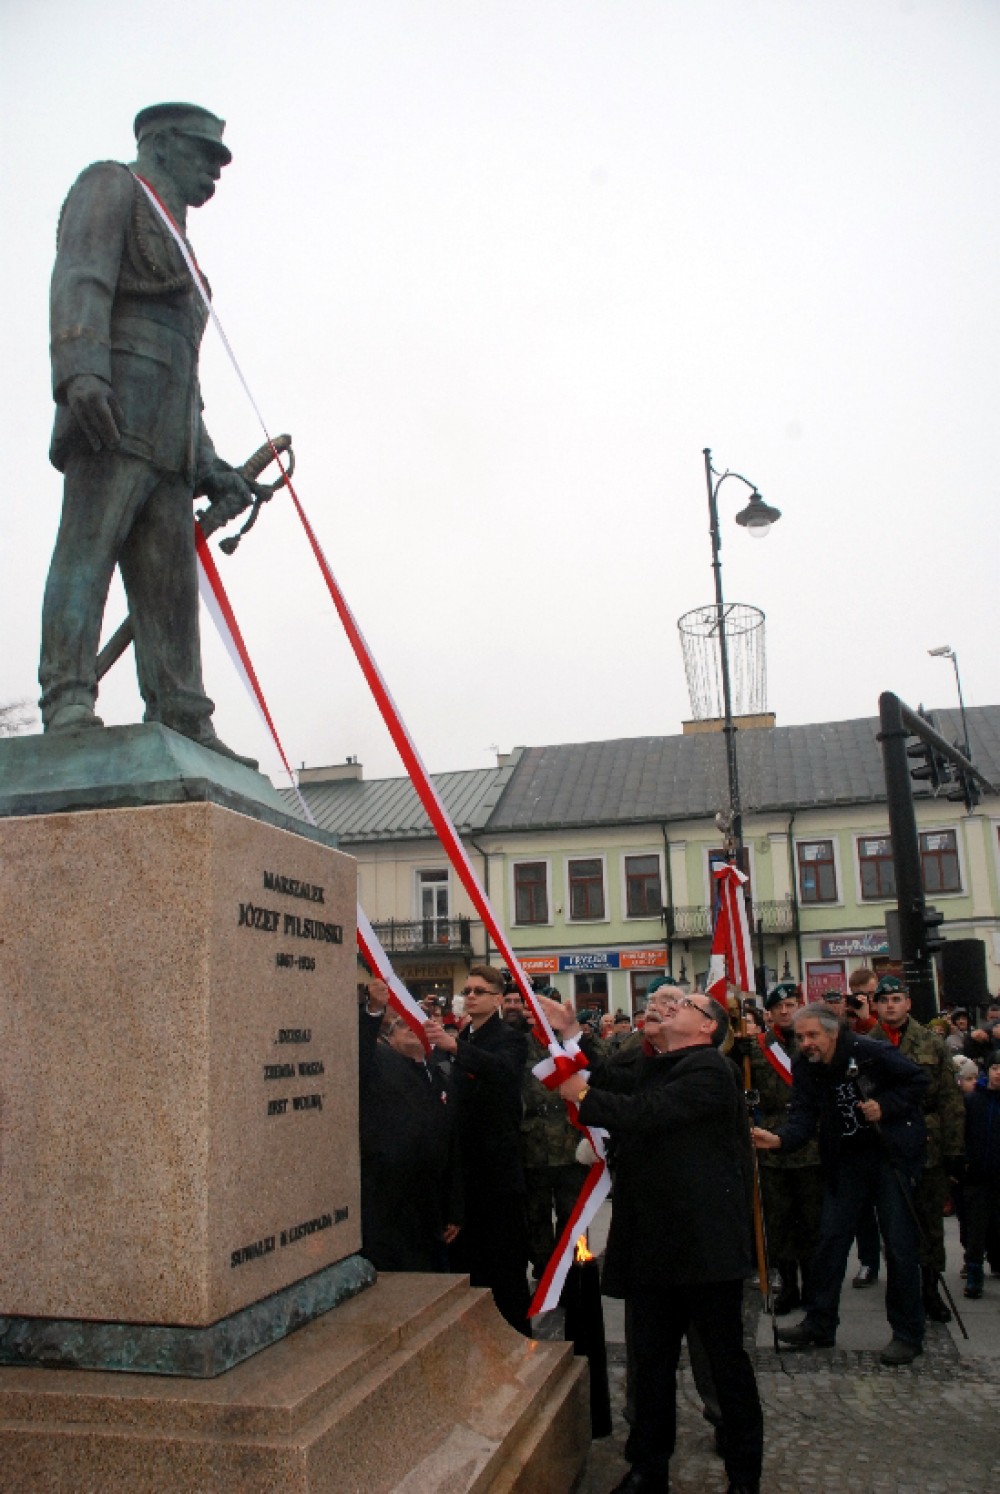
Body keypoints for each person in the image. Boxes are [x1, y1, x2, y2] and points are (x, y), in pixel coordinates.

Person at [39, 103, 263, 762]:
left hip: (170, 434)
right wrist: (81, 370)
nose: (214, 171)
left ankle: (182, 711)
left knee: (170, 587)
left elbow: (187, 374)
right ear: (161, 143)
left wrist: (210, 463)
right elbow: (80, 277)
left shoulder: (182, 244)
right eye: (203, 154)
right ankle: (67, 697)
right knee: (87, 554)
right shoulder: (112, 186)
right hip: (110, 413)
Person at [541, 985, 763, 1494]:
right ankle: (647, 1468)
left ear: (708, 1026)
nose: (670, 1008)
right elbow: (612, 1075)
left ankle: (743, 1476)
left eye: (685, 1005)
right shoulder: (659, 1063)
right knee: (651, 1363)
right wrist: (570, 1032)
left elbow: (646, 1111)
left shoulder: (710, 1069)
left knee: (725, 1365)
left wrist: (582, 1096)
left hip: (704, 1248)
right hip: (654, 1244)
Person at [752, 1001, 929, 1365]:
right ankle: (819, 1322)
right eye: (800, 1037)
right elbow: (804, 1115)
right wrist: (781, 1140)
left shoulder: (870, 1051)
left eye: (812, 1035)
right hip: (845, 1160)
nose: (806, 1043)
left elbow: (917, 1080)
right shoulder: (805, 1065)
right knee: (830, 1241)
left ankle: (907, 1333)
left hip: (888, 1156)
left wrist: (886, 1105)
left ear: (833, 1033)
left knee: (899, 1245)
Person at [425, 965, 532, 1336]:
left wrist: (456, 1047)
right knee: (469, 1264)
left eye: (479, 991)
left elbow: (502, 1070)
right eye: (467, 991)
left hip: (497, 1169)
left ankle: (515, 1339)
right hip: (464, 1169)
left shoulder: (509, 1038)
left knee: (503, 1266)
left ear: (498, 999)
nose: (470, 996)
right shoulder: (465, 1034)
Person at [871, 974, 965, 1322]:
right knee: (895, 1224)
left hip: (927, 1142)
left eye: (896, 999)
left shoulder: (931, 1042)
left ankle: (930, 1287)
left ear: (908, 1003)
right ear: (875, 1006)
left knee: (929, 1222)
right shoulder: (867, 1044)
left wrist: (955, 1150)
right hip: (886, 1142)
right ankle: (902, 1289)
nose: (890, 1006)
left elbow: (950, 1099)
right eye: (884, 1000)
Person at [357, 981, 461, 1271]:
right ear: (389, 1039)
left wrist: (454, 1208)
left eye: (418, 1024)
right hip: (390, 1200)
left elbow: (452, 1146)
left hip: (431, 1202)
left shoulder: (440, 1075)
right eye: (403, 1024)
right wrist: (374, 1011)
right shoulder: (379, 1064)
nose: (412, 1028)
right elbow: (360, 1051)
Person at [733, 982, 823, 1316]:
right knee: (778, 1221)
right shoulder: (758, 1048)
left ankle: (814, 1285)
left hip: (811, 1143)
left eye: (791, 1005)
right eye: (779, 1007)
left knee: (811, 1221)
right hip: (771, 1142)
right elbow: (741, 1088)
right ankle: (788, 1286)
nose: (785, 1011)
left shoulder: (814, 1043)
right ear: (769, 1013)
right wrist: (737, 1054)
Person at [962, 1048, 1000, 1299]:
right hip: (977, 1174)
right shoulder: (974, 1100)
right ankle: (974, 1271)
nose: (999, 1073)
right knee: (975, 1228)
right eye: (996, 1068)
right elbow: (962, 1133)